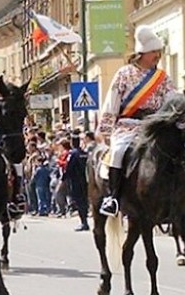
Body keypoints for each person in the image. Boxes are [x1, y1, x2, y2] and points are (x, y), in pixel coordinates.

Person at [97, 24, 177, 216]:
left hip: (155, 126)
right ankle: (113, 197)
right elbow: (112, 101)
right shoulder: (124, 74)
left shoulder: (162, 77)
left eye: (159, 52)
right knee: (118, 152)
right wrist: (106, 130)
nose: (157, 56)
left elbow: (172, 98)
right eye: (154, 52)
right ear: (143, 53)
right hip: (128, 125)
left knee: (179, 150)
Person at [64, 133, 90, 230]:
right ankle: (85, 221)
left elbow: (68, 168)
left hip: (75, 181)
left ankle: (84, 222)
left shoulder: (73, 153)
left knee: (79, 202)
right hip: (85, 180)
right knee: (84, 201)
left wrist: (64, 179)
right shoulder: (84, 153)